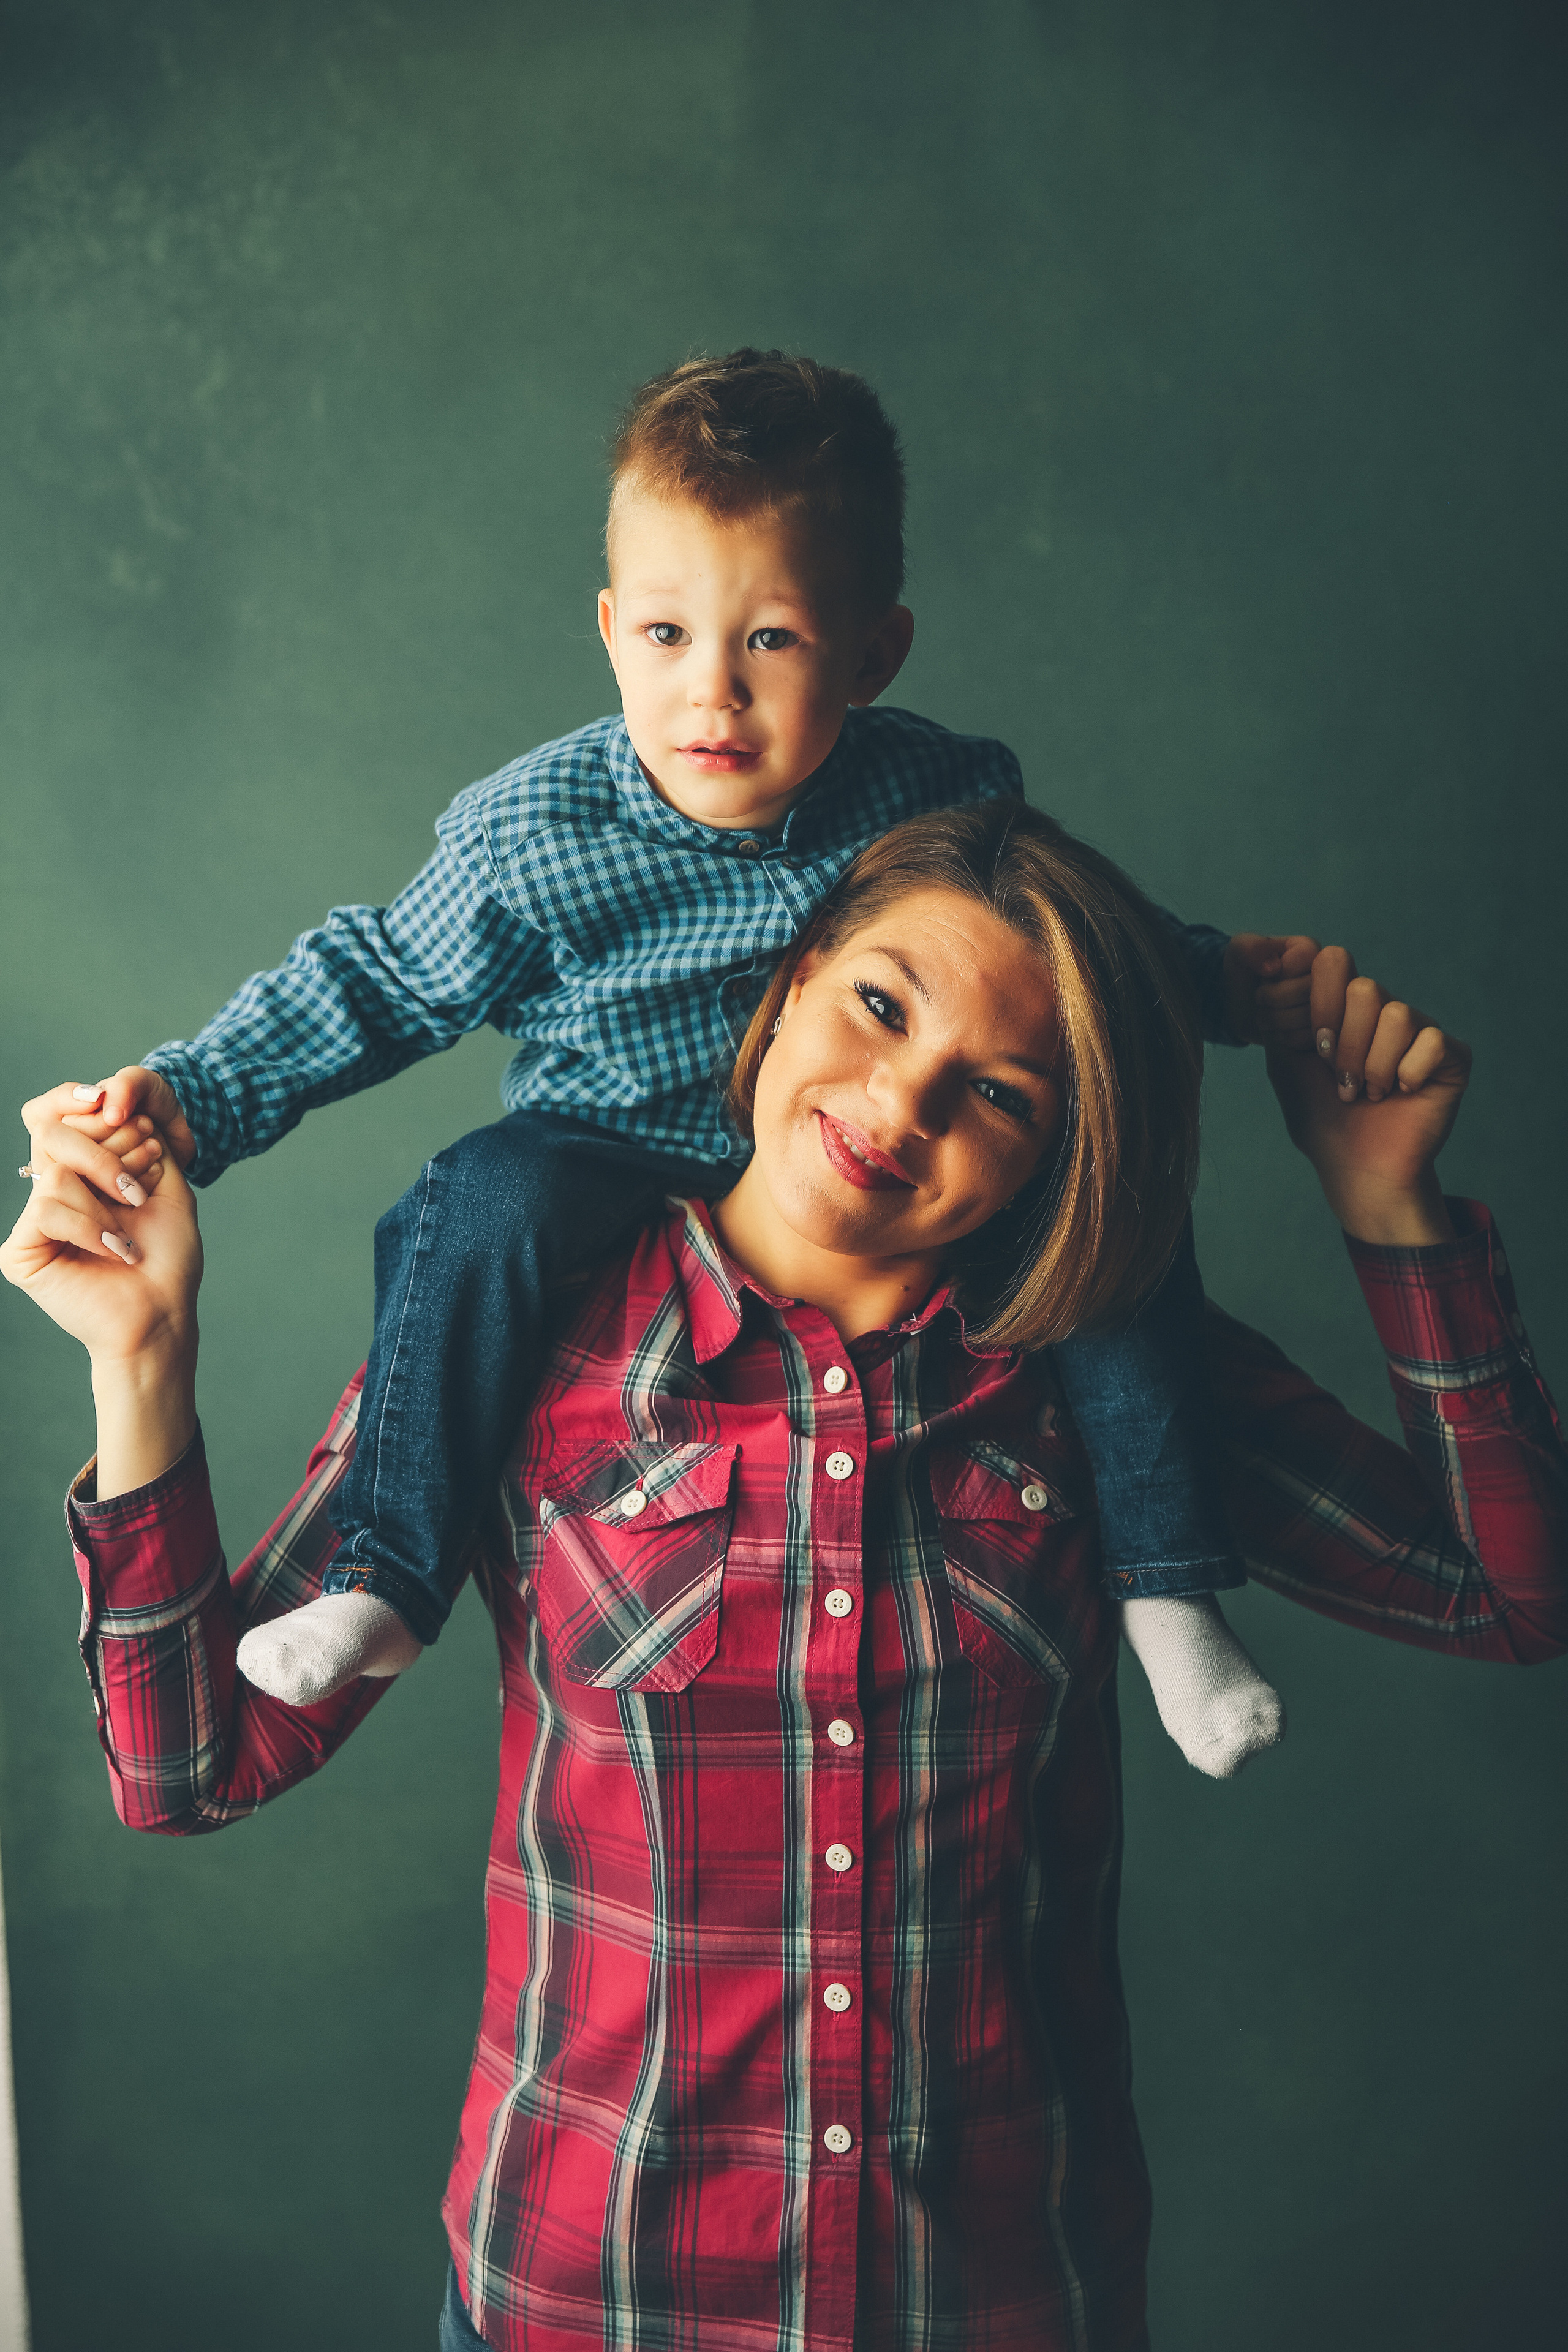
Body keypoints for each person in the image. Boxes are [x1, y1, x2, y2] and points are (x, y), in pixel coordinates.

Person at [7, 802, 1564, 2352]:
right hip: (588, 2295)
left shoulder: (1110, 1389)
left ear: (1062, 1146)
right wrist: (142, 1363)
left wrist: (1389, 1211)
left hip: (1000, 2304)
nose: (899, 1102)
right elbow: (189, 1769)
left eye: (1000, 1092)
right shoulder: (520, 1330)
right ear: (788, 979)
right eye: (879, 1005)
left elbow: (1511, 1600)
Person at [21, 350, 1321, 1772]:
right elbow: (383, 974)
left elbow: (1061, 955)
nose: (710, 693)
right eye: (662, 635)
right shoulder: (539, 831)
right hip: (609, 1151)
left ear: (871, 653)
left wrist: (1217, 987)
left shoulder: (933, 794)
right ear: (605, 629)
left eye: (770, 641)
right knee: (476, 1195)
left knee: (1106, 1225)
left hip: (879, 1166)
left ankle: (1167, 1593)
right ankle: (385, 1579)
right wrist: (196, 1098)